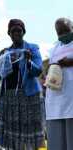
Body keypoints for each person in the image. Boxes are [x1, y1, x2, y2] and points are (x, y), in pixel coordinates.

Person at [0, 19, 45, 150]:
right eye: (13, 31)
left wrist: (28, 61)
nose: (16, 33)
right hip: (9, 98)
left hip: (29, 96)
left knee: (34, 134)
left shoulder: (32, 48)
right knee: (13, 136)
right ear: (9, 33)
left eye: (19, 31)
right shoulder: (6, 52)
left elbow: (38, 71)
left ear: (24, 32)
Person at [45, 17, 73, 150]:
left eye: (66, 31)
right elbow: (47, 70)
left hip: (71, 99)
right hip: (56, 101)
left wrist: (70, 62)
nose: (63, 34)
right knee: (57, 142)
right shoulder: (54, 49)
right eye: (60, 32)